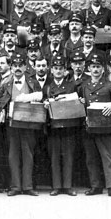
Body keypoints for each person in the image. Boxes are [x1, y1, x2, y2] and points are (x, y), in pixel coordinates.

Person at [78, 54, 111, 199]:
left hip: (105, 126)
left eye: (98, 67)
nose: (95, 70)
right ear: (88, 69)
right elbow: (81, 102)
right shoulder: (84, 86)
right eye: (93, 67)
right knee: (91, 157)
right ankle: (96, 186)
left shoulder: (109, 85)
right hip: (89, 126)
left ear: (103, 69)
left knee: (108, 157)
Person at [0, 53, 43, 196]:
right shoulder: (5, 83)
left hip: (29, 123)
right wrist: (3, 109)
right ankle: (15, 186)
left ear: (25, 67)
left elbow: (40, 99)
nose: (17, 68)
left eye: (20, 66)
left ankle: (28, 186)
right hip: (12, 124)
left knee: (28, 153)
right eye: (15, 66)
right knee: (13, 154)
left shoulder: (33, 82)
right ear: (11, 68)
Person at [43, 55, 79, 196]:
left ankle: (68, 186)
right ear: (51, 70)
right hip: (53, 126)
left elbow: (77, 103)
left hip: (68, 125)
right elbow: (43, 104)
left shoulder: (71, 86)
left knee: (68, 156)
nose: (58, 71)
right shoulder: (47, 87)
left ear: (65, 71)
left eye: (61, 69)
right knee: (55, 156)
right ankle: (56, 186)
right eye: (56, 68)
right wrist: (46, 104)